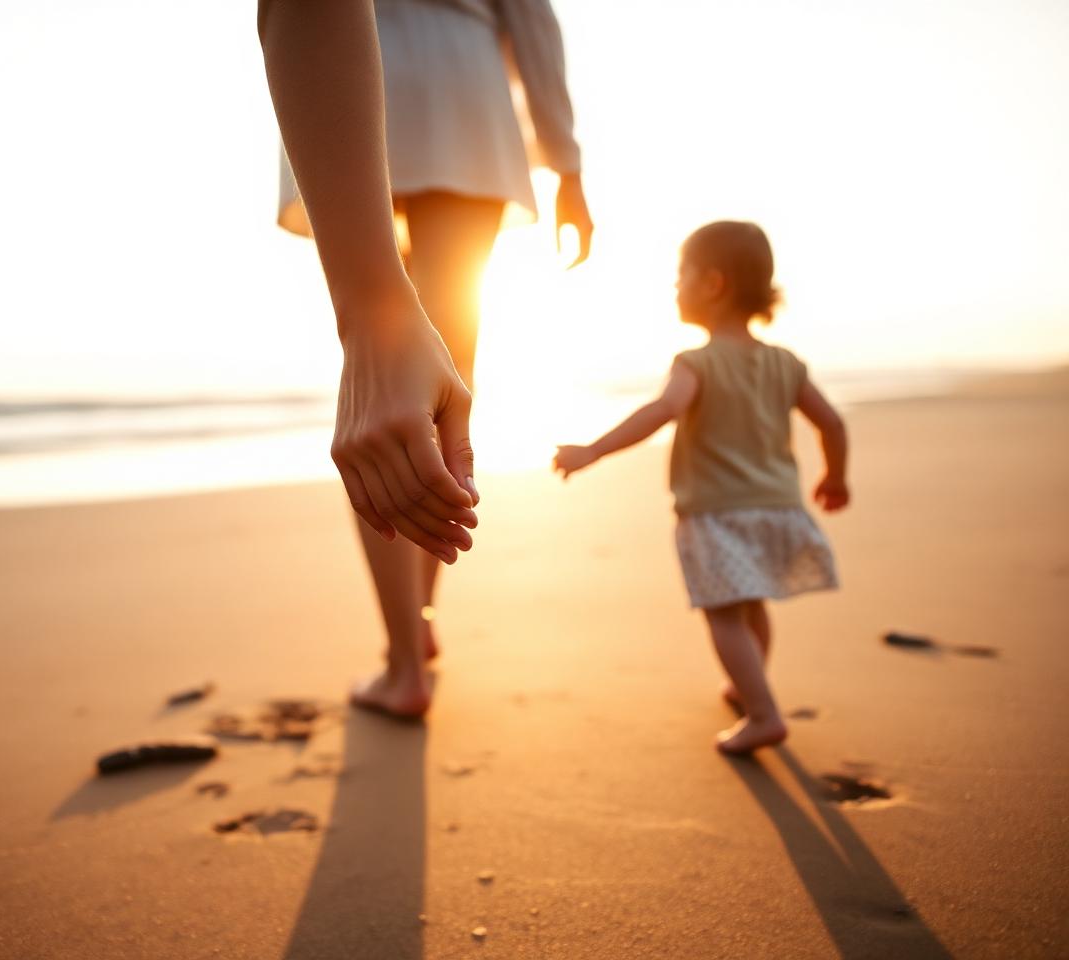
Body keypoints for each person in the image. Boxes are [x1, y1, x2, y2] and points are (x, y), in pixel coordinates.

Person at [271, 0, 593, 718]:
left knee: (382, 370)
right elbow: (533, 20)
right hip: (465, 102)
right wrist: (565, 163)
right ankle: (418, 621)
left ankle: (403, 660)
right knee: (445, 377)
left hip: (346, 78)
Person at [553, 222, 849, 754]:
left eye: (679, 276)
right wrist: (835, 476)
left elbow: (663, 410)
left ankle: (762, 714)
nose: (674, 287)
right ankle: (747, 685)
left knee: (724, 613)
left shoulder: (697, 363)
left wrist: (593, 450)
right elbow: (832, 424)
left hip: (716, 512)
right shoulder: (787, 363)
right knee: (752, 604)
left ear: (712, 283)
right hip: (778, 508)